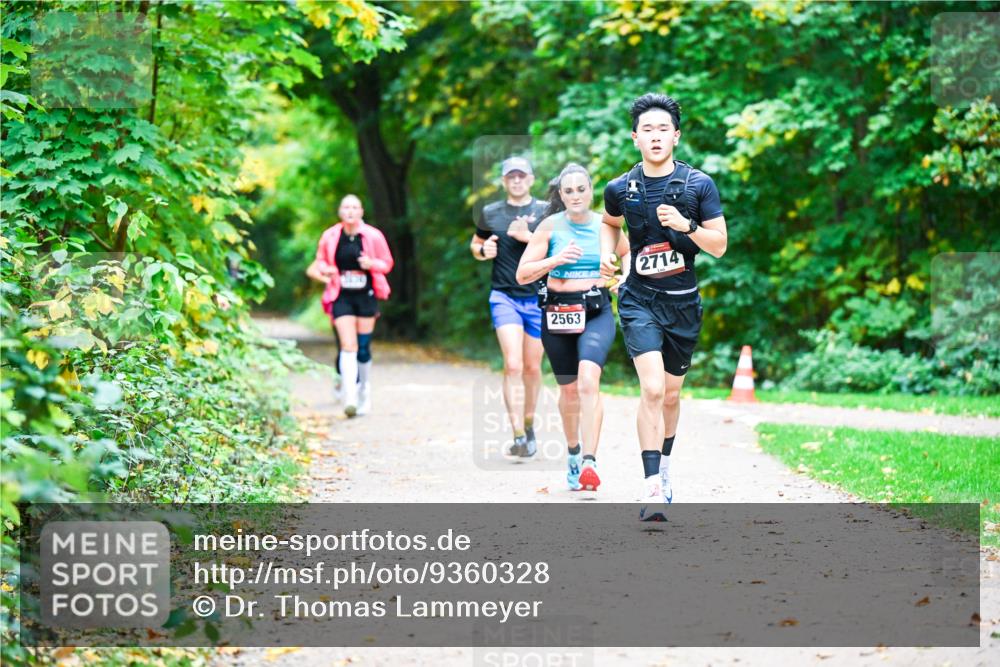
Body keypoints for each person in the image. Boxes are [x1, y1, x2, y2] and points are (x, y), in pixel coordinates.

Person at [599, 93, 728, 520]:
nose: (655, 136)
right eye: (647, 130)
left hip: (683, 304)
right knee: (651, 389)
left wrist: (686, 226)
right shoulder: (619, 188)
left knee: (671, 395)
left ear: (676, 135)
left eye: (662, 129)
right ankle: (651, 486)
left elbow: (720, 246)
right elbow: (609, 223)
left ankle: (666, 468)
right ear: (635, 137)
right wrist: (609, 256)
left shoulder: (698, 185)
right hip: (638, 299)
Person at [516, 164, 630, 492]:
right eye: (569, 191)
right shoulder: (549, 227)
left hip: (595, 312)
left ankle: (591, 462)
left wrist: (624, 279)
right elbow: (522, 275)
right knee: (568, 390)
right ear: (561, 195)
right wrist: (556, 259)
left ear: (591, 191)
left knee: (588, 381)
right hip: (557, 314)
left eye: (581, 189)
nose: (576, 195)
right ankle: (574, 454)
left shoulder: (605, 226)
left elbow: (628, 254)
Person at [471, 157, 549, 458]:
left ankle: (529, 425)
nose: (516, 181)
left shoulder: (545, 211)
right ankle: (517, 432)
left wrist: (527, 238)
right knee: (513, 364)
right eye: (510, 177)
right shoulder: (491, 212)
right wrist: (482, 250)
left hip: (537, 297)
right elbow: (475, 244)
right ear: (504, 181)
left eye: (521, 176)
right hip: (504, 296)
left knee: (532, 367)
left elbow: (554, 247)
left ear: (530, 179)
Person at [308, 194, 394, 417]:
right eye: (346, 207)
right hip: (341, 294)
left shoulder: (373, 236)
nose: (350, 211)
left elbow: (387, 263)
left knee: (363, 348)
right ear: (340, 212)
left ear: (361, 212)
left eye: (355, 207)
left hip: (366, 294)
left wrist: (371, 263)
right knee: (348, 345)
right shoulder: (330, 236)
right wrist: (326, 270)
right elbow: (319, 262)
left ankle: (364, 389)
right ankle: (350, 396)